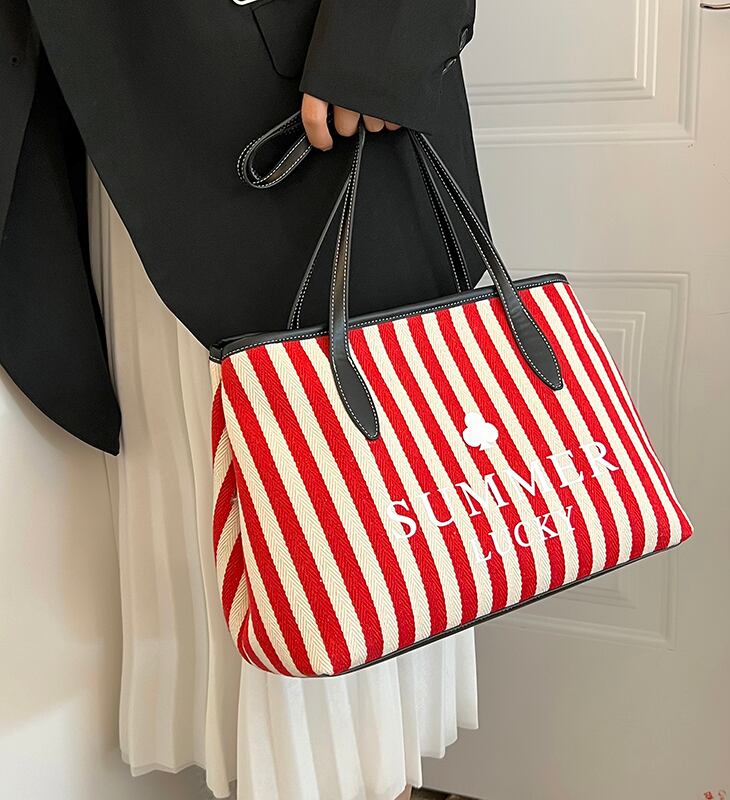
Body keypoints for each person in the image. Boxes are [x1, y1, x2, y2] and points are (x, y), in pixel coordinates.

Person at [1, 2, 486, 798]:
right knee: (233, 551)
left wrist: (384, 28)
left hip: (303, 106)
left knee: (352, 551)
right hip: (125, 121)